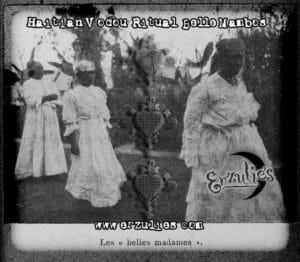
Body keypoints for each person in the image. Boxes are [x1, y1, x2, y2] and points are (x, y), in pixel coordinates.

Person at [180, 38, 285, 222]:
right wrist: (191, 154)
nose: (237, 62)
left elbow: (245, 111)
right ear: (221, 59)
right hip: (218, 146)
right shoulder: (205, 87)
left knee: (254, 189)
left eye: (240, 58)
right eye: (232, 58)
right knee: (219, 194)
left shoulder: (240, 83)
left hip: (248, 143)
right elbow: (190, 122)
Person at [62, 60, 126, 207]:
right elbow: (70, 120)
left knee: (104, 161)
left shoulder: (99, 92)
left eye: (91, 73)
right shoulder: (71, 95)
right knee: (87, 163)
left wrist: (108, 133)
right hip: (84, 132)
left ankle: (105, 193)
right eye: (85, 74)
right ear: (77, 75)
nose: (89, 76)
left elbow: (104, 116)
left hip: (99, 132)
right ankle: (87, 194)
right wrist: (73, 142)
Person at [15, 61, 67, 179]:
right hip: (35, 116)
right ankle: (32, 170)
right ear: (32, 71)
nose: (41, 70)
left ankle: (54, 170)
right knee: (34, 139)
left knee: (51, 140)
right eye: (38, 68)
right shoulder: (28, 84)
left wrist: (52, 100)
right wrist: (47, 98)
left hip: (50, 115)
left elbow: (57, 97)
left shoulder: (49, 82)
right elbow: (31, 101)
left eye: (42, 68)